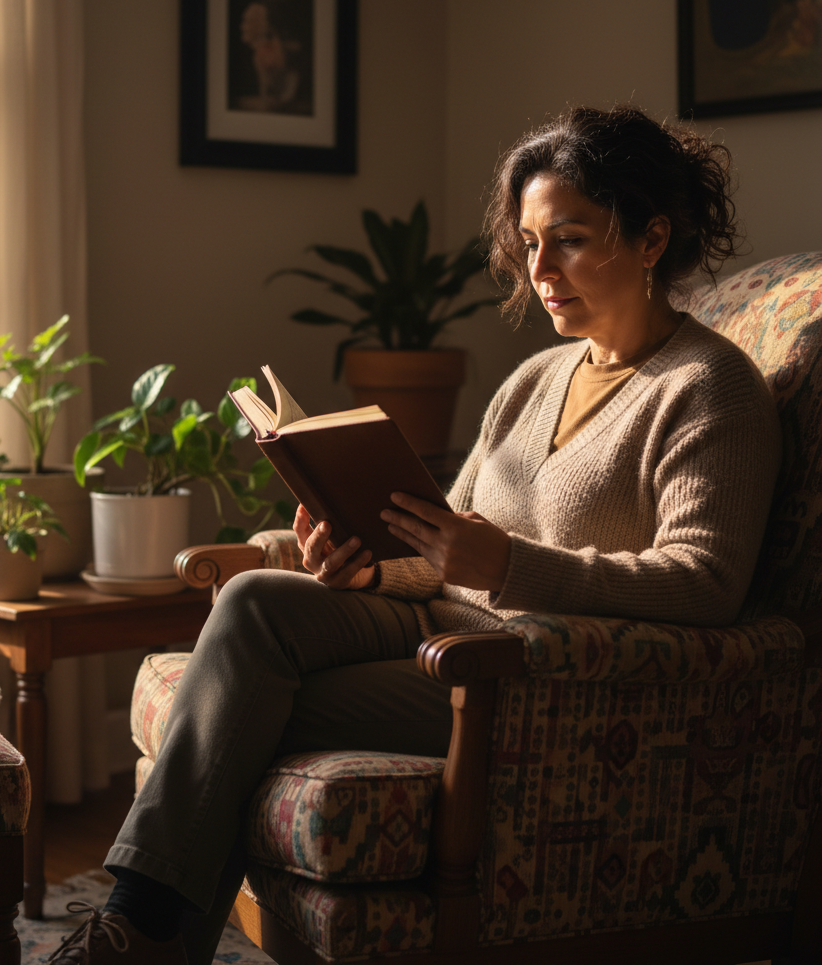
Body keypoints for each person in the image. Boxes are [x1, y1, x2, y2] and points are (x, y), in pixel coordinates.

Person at [49, 106, 781, 965]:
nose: (540, 270)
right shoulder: (536, 377)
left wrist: (508, 564)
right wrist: (359, 569)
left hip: (522, 676)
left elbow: (705, 582)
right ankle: (144, 935)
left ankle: (135, 939)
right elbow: (439, 552)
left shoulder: (711, 389)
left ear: (651, 238)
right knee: (254, 600)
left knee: (236, 713)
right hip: (434, 625)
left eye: (570, 240)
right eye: (530, 242)